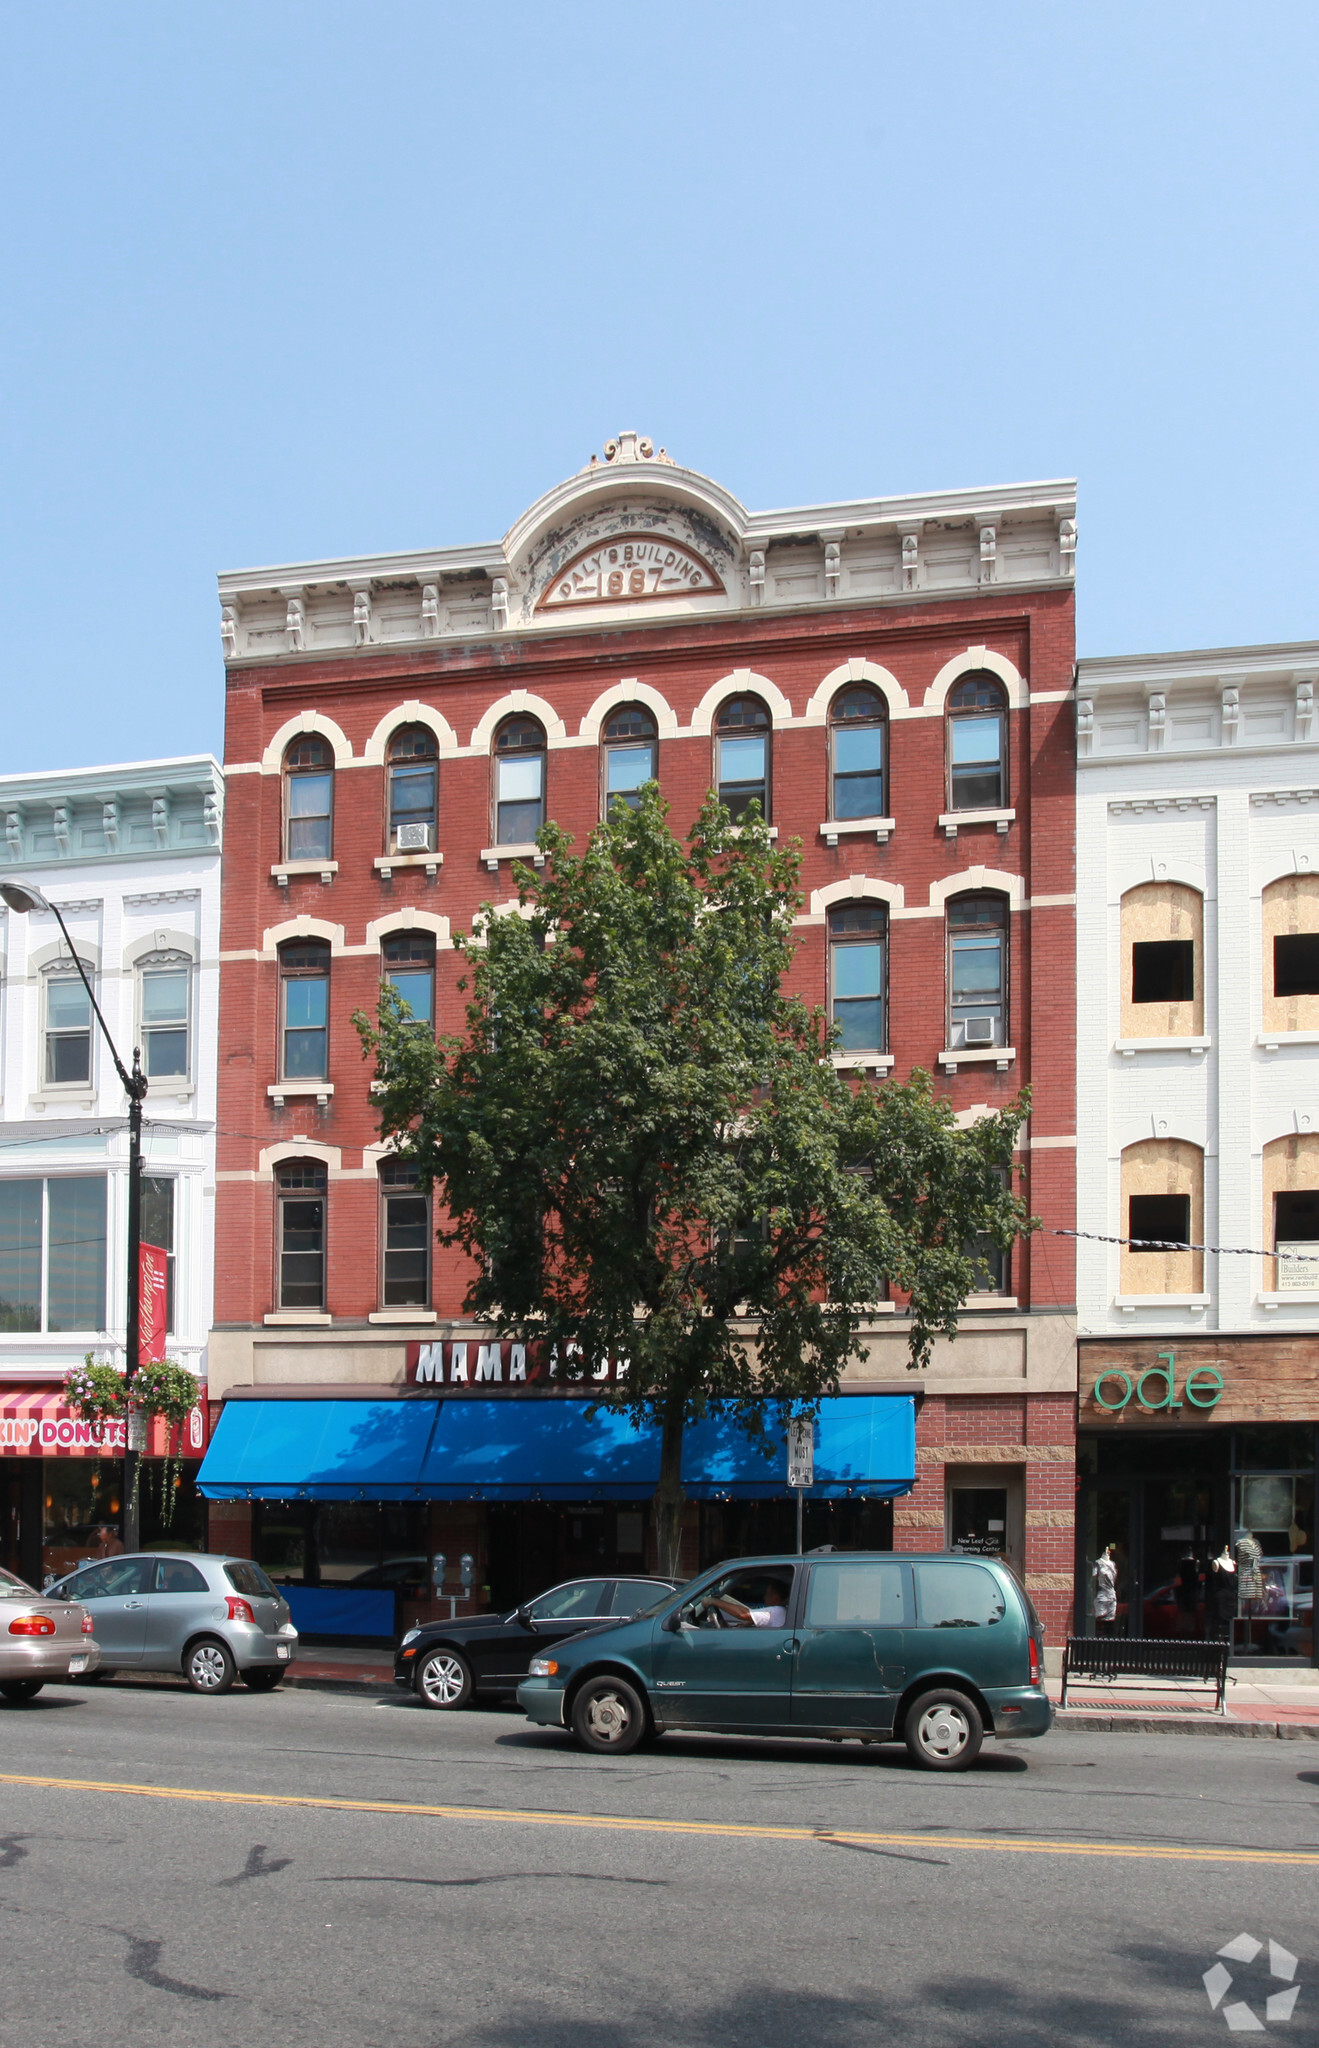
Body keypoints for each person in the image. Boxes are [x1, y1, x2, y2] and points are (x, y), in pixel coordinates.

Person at [704, 1576, 792, 1628]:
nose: (764, 1597)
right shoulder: (781, 1612)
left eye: (767, 1594)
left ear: (775, 1598)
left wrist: (713, 1601)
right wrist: (747, 1624)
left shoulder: (775, 1611)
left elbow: (743, 1614)